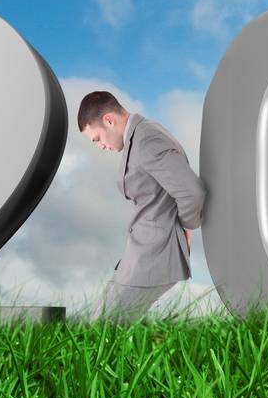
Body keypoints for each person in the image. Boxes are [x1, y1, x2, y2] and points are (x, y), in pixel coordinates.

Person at [78, 91, 205, 321]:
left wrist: (186, 228)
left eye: (97, 138)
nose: (100, 146)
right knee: (100, 323)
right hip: (140, 254)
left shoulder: (147, 139)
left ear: (108, 120)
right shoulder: (140, 137)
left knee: (104, 328)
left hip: (153, 254)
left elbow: (191, 191)